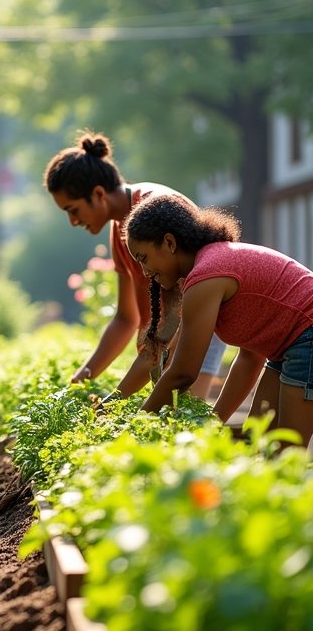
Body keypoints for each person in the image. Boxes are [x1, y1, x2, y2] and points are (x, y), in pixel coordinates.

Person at [43, 131, 225, 399]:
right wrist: (84, 376)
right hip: (166, 342)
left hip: (200, 324)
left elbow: (177, 323)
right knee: (166, 419)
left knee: (184, 420)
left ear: (98, 194)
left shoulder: (155, 208)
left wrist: (115, 399)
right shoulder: (120, 232)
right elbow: (126, 318)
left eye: (73, 210)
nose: (73, 221)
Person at [125, 193, 313, 448]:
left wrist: (133, 430)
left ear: (169, 242)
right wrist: (213, 424)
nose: (145, 272)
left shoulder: (206, 278)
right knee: (260, 443)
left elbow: (182, 373)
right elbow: (249, 358)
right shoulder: (211, 265)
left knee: (285, 453)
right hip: (290, 346)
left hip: (307, 338)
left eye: (144, 258)